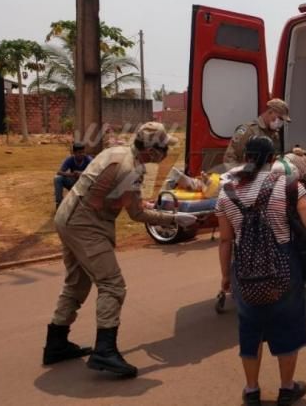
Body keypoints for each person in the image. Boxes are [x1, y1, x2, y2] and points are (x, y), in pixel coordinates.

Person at [43, 122, 198, 377]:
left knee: (77, 283)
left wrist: (142, 203)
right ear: (151, 150)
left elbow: (118, 197)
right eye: (164, 148)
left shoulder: (118, 153)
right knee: (112, 285)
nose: (166, 153)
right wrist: (174, 219)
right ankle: (104, 351)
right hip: (85, 225)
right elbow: (136, 215)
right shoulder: (130, 169)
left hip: (69, 216)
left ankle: (56, 343)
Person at [216, 136, 306, 406]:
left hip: (244, 268)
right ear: (273, 160)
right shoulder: (289, 185)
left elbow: (225, 240)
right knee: (288, 324)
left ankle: (252, 390)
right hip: (284, 264)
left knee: (250, 329)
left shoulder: (227, 191)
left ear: (245, 157)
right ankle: (287, 389)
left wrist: (225, 276)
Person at [223, 98, 291, 166]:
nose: (281, 123)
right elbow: (229, 158)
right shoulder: (248, 130)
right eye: (280, 118)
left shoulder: (275, 134)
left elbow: (274, 157)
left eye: (283, 121)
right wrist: (239, 171)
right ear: (270, 112)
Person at [54, 142, 92, 209]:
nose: (82, 154)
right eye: (79, 152)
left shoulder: (88, 159)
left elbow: (95, 172)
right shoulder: (70, 159)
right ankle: (59, 203)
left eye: (83, 152)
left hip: (86, 185)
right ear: (74, 153)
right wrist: (71, 174)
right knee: (58, 179)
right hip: (74, 183)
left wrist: (81, 173)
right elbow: (59, 172)